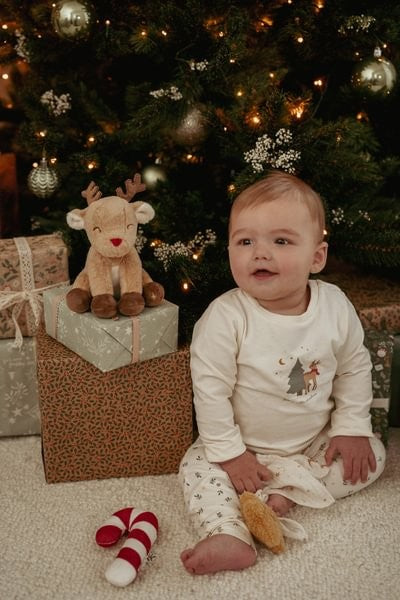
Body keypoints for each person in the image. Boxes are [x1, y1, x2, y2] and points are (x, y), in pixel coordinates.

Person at [178, 170, 386, 575]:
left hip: (313, 441)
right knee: (196, 468)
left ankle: (286, 493)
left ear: (317, 257)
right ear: (230, 250)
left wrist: (351, 426)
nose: (260, 253)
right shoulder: (226, 317)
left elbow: (354, 367)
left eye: (281, 241)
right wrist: (231, 454)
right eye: (245, 242)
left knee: (371, 457)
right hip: (243, 446)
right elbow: (210, 391)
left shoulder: (334, 305)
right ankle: (227, 532)